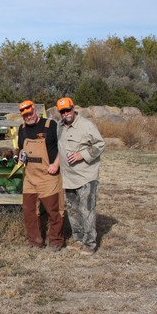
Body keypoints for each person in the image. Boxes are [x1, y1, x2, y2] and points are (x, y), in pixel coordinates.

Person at [56, 97, 106, 255]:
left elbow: (100, 144)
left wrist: (82, 155)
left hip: (86, 176)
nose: (66, 114)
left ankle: (90, 243)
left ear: (73, 108)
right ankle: (78, 238)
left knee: (87, 210)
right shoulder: (59, 127)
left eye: (68, 110)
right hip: (69, 177)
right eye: (62, 112)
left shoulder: (86, 125)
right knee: (72, 209)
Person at [17, 100, 65, 252]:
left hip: (48, 176)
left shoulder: (51, 125)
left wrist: (56, 164)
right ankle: (35, 241)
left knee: (54, 210)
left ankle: (56, 241)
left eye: (30, 114)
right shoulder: (22, 128)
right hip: (30, 176)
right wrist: (20, 156)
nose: (28, 117)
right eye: (25, 116)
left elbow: (63, 148)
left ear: (35, 111)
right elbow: (20, 148)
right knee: (30, 210)